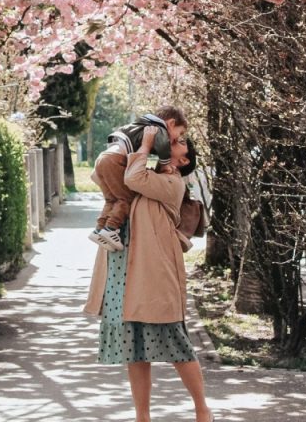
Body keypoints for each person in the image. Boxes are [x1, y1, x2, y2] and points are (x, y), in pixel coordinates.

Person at [83, 126, 214, 422]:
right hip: (124, 269)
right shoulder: (148, 173)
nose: (173, 142)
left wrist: (145, 146)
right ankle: (142, 416)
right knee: (135, 350)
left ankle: (202, 410)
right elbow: (106, 176)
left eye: (180, 143)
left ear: (183, 161)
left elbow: (132, 177)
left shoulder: (171, 182)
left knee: (177, 345)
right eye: (174, 138)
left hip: (154, 275)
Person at [89, 107, 192, 251]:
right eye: (179, 133)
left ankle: (99, 229)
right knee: (125, 198)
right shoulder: (158, 131)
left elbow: (150, 160)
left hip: (104, 157)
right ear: (171, 123)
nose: (175, 139)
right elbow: (160, 150)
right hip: (115, 160)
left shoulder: (141, 124)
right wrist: (163, 166)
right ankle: (111, 228)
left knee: (112, 200)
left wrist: (151, 165)